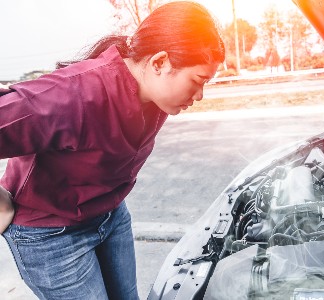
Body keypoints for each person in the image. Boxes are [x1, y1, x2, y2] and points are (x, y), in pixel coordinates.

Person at [0, 1, 225, 299]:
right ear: (159, 63)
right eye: (198, 81)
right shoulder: (71, 96)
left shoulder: (153, 95)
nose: (200, 95)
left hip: (111, 215)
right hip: (52, 235)